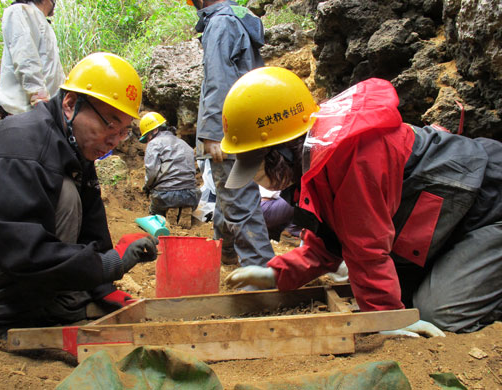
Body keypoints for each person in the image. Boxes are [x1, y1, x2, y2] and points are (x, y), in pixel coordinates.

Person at [222, 67, 502, 336]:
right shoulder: (319, 156)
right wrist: (276, 274)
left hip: (489, 207)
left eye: (258, 167)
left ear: (283, 151)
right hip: (449, 225)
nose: (259, 180)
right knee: (400, 294)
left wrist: (386, 319)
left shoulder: (353, 154)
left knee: (436, 314)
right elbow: (330, 240)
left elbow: (365, 246)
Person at [0, 53, 158, 341]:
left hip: (10, 257)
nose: (114, 139)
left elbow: (92, 226)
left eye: (124, 131)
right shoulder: (21, 146)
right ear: (70, 104)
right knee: (65, 193)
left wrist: (104, 287)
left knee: (70, 193)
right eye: (109, 124)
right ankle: (0, 309)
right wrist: (108, 264)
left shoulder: (72, 146)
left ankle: (49, 302)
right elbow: (22, 249)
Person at [188, 0, 275, 266]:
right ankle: (224, 252)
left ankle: (260, 269)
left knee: (238, 199)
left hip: (229, 129)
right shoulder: (238, 18)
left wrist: (215, 133)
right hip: (246, 124)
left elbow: (218, 78)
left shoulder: (220, 22)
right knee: (231, 193)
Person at [0, 0, 65, 117]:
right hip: (23, 111)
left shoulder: (41, 20)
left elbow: (51, 70)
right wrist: (40, 99)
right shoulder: (19, 11)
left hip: (45, 111)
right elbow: (26, 59)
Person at [140, 112, 201, 229]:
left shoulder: (154, 144)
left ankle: (163, 217)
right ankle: (182, 210)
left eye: (147, 136)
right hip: (191, 195)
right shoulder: (185, 144)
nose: (147, 140)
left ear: (154, 131)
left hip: (166, 195)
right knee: (185, 196)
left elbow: (151, 172)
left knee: (154, 212)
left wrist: (147, 187)